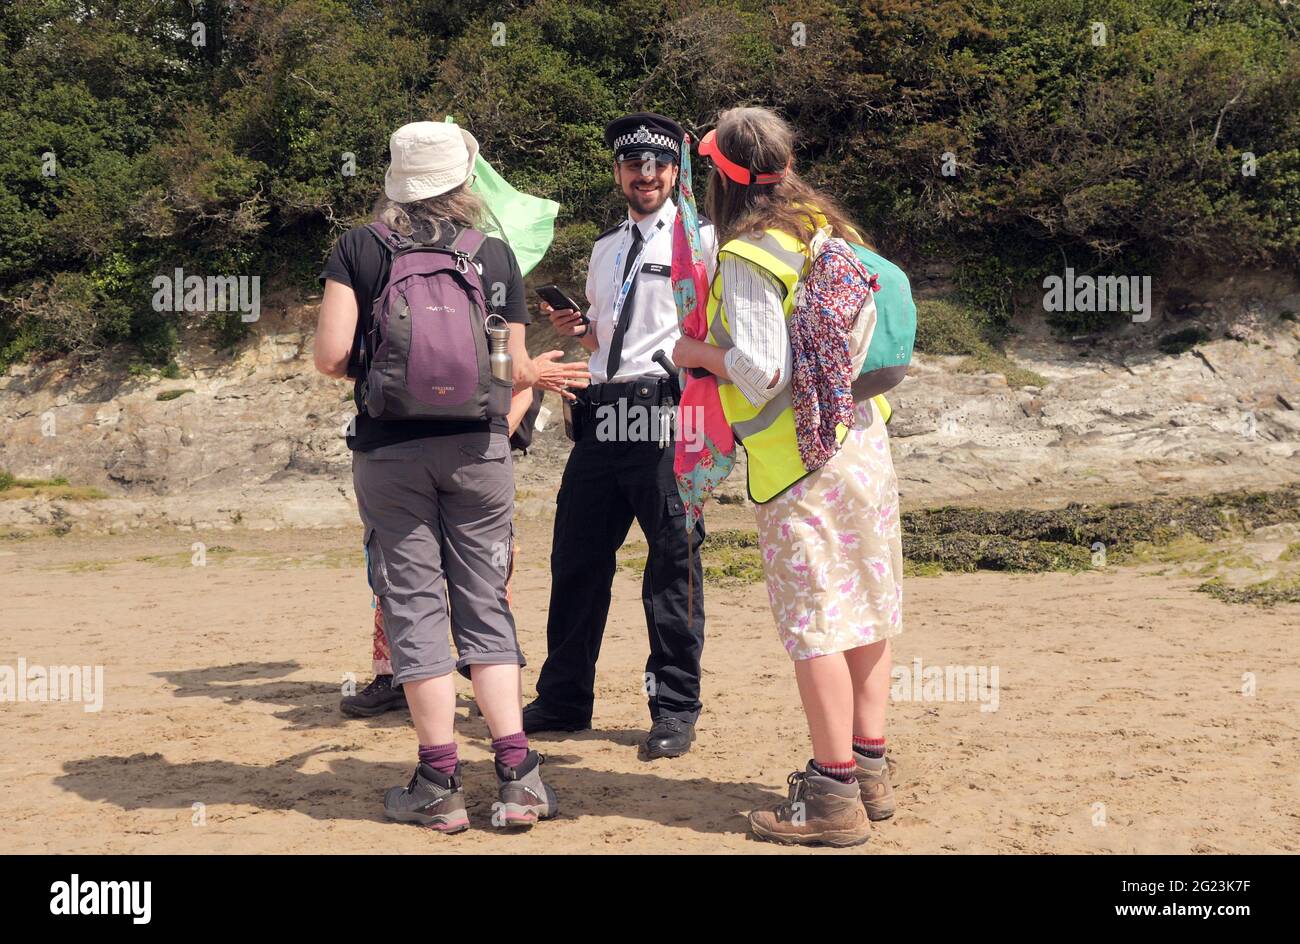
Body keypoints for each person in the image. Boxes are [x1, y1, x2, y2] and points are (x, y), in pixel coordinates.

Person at [315, 120, 582, 831]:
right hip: (479, 451)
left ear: (397, 181)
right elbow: (511, 369)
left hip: (390, 451)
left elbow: (330, 353)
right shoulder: (492, 254)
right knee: (485, 603)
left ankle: (437, 782)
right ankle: (520, 775)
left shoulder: (360, 248)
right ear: (464, 182)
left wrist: (380, 365)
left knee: (413, 607)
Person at [671, 106, 903, 846]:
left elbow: (764, 372)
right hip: (863, 440)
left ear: (721, 174)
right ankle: (870, 768)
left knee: (816, 624)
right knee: (868, 605)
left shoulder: (749, 254)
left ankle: (832, 798)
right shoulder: (828, 228)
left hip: (799, 460)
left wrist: (698, 355)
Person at [525, 112, 718, 759]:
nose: (646, 174)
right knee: (576, 561)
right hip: (602, 413)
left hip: (666, 414)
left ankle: (673, 709)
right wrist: (579, 331)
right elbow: (611, 339)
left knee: (672, 566)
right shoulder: (606, 249)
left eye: (658, 163)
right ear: (618, 172)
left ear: (674, 170)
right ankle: (563, 699)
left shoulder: (700, 240)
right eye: (633, 163)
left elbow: (713, 331)